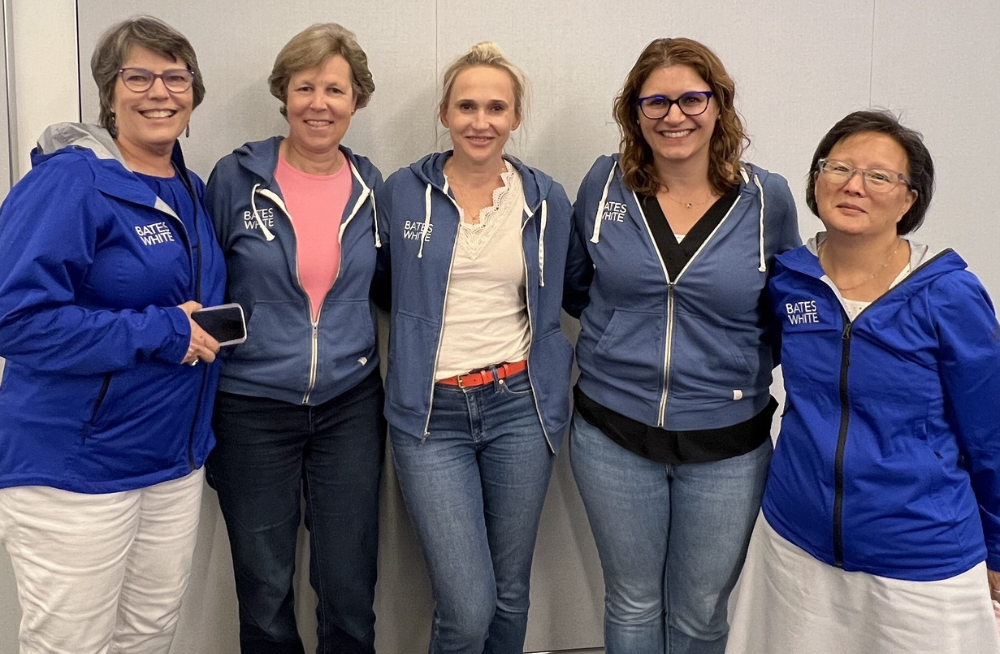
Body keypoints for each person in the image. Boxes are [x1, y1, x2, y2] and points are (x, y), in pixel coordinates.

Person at [726, 110, 1000, 654]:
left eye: (879, 176)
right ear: (815, 181)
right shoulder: (790, 280)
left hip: (919, 554)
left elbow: (989, 435)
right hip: (795, 542)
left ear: (909, 200)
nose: (853, 186)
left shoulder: (948, 295)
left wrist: (997, 548)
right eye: (839, 167)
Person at [563, 37, 800, 653]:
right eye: (656, 102)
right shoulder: (603, 184)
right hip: (612, 432)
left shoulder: (764, 198)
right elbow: (576, 284)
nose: (675, 116)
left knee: (699, 614)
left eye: (692, 99)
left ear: (719, 105)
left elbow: (783, 307)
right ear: (635, 113)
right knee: (633, 603)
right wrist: (623, 342)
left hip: (727, 443)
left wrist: (730, 369)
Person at [0, 15, 225, 654]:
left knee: (148, 636)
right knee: (70, 644)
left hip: (170, 462)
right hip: (75, 468)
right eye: (139, 76)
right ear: (110, 92)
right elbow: (14, 319)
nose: (160, 91)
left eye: (175, 77)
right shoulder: (69, 181)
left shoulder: (189, 187)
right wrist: (159, 329)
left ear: (193, 93)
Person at [376, 42, 578, 654]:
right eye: (466, 106)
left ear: (516, 118)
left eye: (497, 107)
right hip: (430, 413)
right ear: (444, 112)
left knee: (511, 592)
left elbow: (570, 290)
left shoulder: (546, 199)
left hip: (521, 407)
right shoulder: (402, 192)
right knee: (467, 608)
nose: (480, 121)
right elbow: (383, 284)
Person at [204, 23, 384, 654]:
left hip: (349, 405)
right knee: (263, 587)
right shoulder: (235, 178)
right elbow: (201, 278)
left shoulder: (372, 187)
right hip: (252, 405)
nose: (319, 102)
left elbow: (389, 286)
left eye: (335, 89)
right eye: (305, 86)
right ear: (284, 95)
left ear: (356, 100)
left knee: (349, 585)